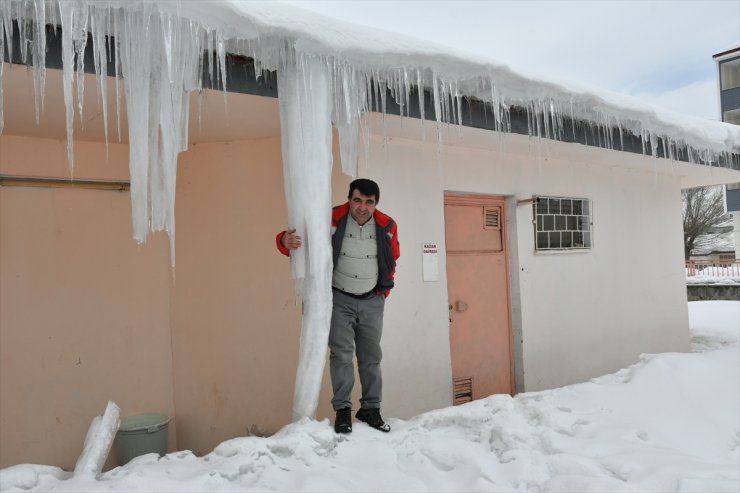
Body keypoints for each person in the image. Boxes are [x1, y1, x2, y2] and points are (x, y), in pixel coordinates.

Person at [276, 178, 400, 433]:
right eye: (357, 200)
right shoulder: (331, 219)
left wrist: (381, 295)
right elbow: (299, 237)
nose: (362, 207)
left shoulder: (387, 225)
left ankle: (371, 409)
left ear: (376, 204)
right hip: (340, 299)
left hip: (372, 300)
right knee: (341, 354)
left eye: (369, 202)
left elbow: (393, 257)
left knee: (371, 357)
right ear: (349, 199)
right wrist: (283, 240)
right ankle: (343, 410)